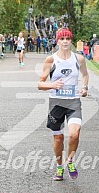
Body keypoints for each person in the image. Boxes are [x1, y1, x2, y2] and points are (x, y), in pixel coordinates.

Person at [38, 28, 89, 181]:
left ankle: (70, 162)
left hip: (73, 102)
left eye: (67, 38)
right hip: (56, 103)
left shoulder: (78, 59)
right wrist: (52, 85)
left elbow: (85, 75)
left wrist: (85, 87)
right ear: (57, 41)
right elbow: (40, 84)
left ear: (71, 41)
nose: (65, 41)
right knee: (58, 138)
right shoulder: (51, 60)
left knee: (74, 134)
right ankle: (59, 167)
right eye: (62, 39)